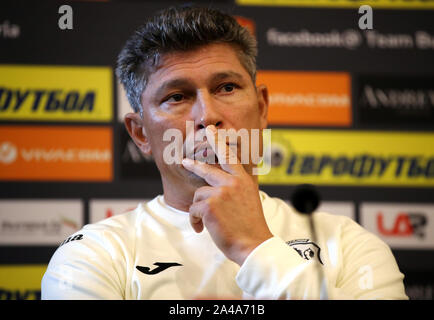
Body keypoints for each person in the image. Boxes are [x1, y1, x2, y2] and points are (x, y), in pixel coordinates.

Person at [41, 6, 408, 300]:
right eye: (177, 97)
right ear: (140, 134)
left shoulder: (348, 243)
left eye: (227, 87)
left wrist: (256, 247)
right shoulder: (92, 255)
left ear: (262, 108)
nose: (208, 116)